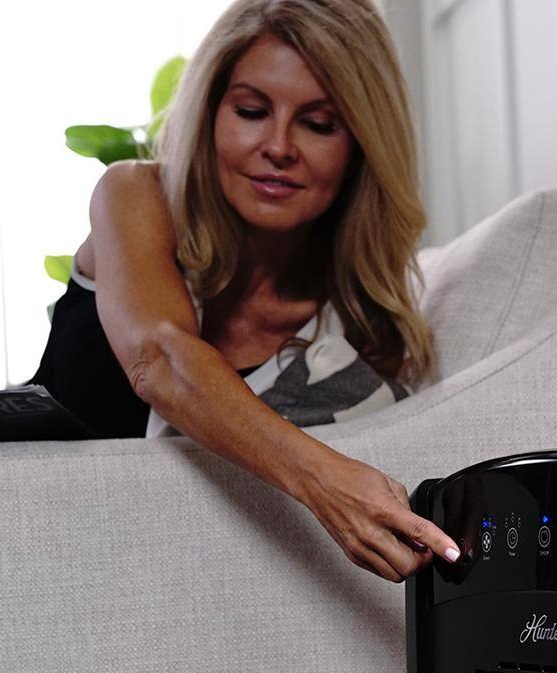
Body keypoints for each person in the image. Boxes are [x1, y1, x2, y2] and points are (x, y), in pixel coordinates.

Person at [30, 0, 460, 584]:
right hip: (23, 560)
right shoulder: (136, 196)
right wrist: (324, 481)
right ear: (210, 112)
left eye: (319, 123)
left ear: (362, 145)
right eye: (252, 111)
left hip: (172, 604)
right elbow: (158, 359)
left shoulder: (358, 342)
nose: (279, 146)